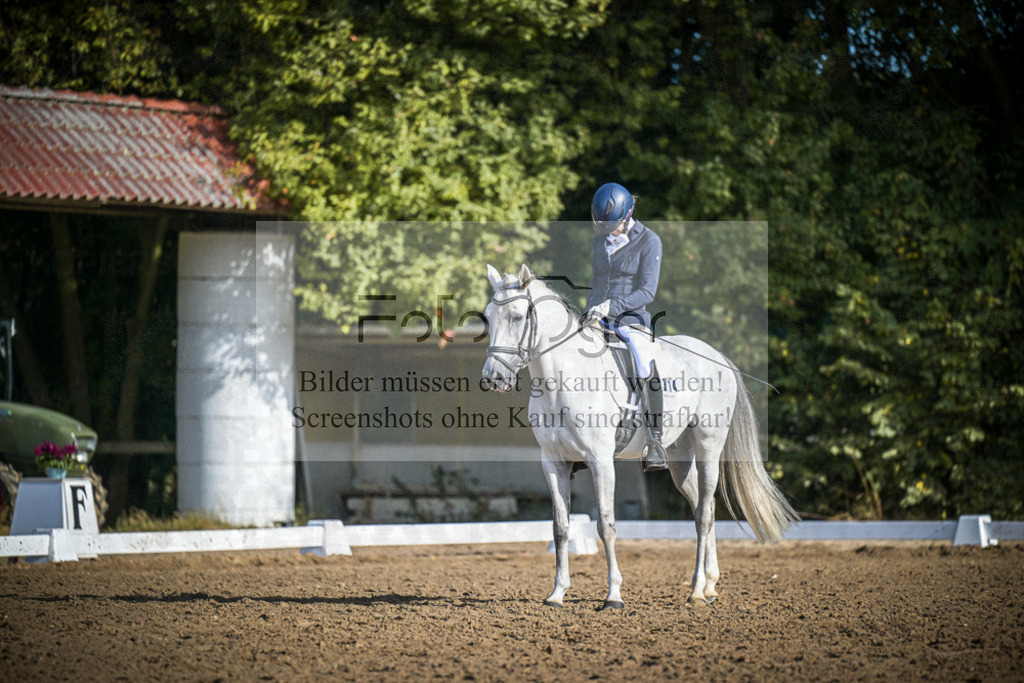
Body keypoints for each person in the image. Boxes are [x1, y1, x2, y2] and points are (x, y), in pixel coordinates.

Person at [584, 182, 668, 472]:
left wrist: (612, 307)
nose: (610, 233)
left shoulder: (649, 241)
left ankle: (655, 440)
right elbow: (597, 283)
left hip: (631, 318)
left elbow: (647, 291)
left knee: (644, 361)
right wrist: (588, 312)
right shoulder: (599, 242)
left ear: (629, 212)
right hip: (597, 316)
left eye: (615, 226)